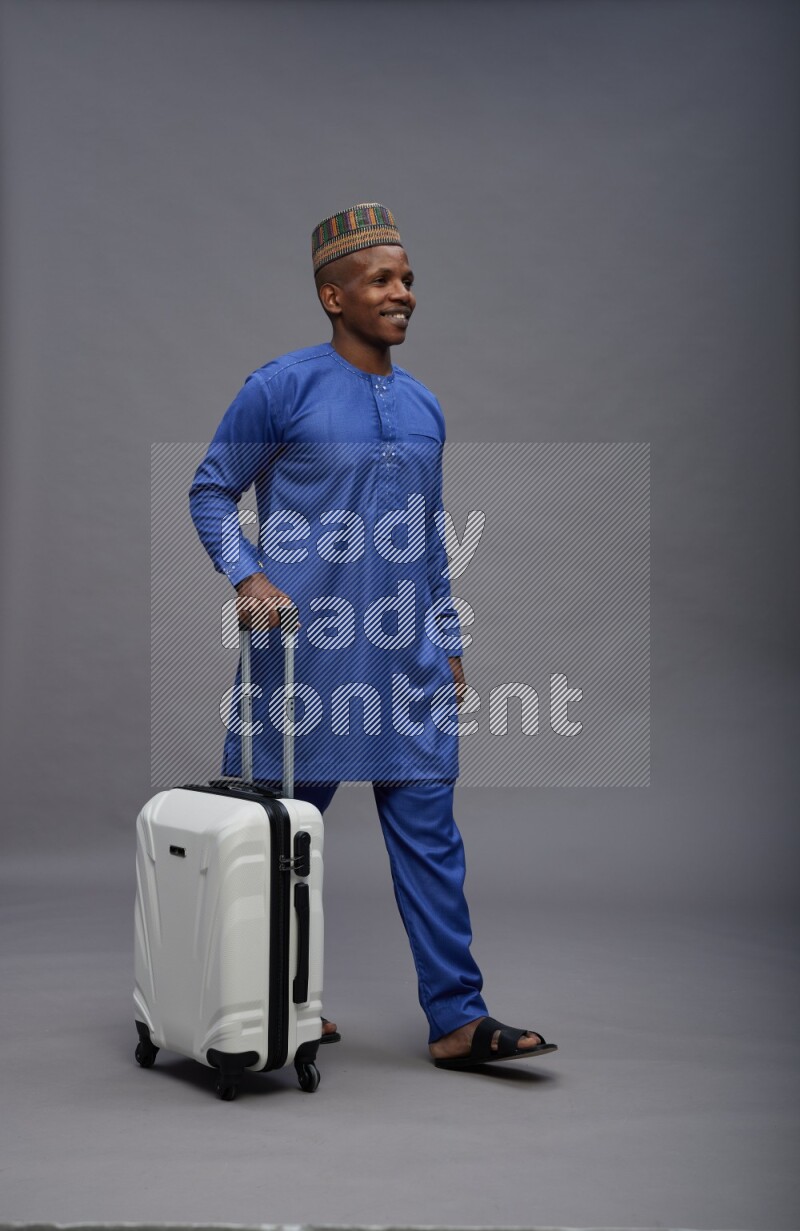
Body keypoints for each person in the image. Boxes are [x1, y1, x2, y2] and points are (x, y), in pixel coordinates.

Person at [189, 203, 557, 1068]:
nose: (404, 294)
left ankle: (458, 1020)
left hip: (407, 659)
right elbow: (211, 489)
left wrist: (448, 634)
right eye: (383, 280)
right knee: (277, 840)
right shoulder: (282, 385)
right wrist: (249, 575)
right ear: (332, 295)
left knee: (432, 838)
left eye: (409, 279)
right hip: (308, 657)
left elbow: (426, 534)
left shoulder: (424, 405)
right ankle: (264, 1006)